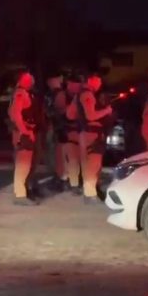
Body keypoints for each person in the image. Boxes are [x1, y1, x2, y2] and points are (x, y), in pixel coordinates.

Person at [68, 73, 112, 204]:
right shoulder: (88, 94)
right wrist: (106, 111)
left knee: (89, 164)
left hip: (84, 133)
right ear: (91, 80)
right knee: (93, 164)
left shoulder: (78, 95)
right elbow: (91, 116)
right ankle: (90, 194)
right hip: (91, 133)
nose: (99, 84)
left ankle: (91, 192)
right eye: (98, 81)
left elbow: (70, 114)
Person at [8, 71, 42, 205]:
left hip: (28, 131)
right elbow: (15, 114)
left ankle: (24, 190)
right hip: (24, 133)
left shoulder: (25, 93)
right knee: (23, 164)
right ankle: (20, 194)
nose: (31, 81)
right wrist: (25, 131)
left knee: (28, 163)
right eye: (28, 79)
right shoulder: (20, 93)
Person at [44, 74, 66, 190]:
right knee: (52, 155)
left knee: (58, 155)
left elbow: (61, 112)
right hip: (52, 128)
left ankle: (60, 178)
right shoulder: (51, 94)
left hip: (57, 129)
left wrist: (49, 112)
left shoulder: (60, 94)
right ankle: (57, 176)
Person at [63, 75, 83, 194]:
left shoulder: (76, 96)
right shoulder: (66, 96)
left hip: (77, 132)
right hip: (69, 132)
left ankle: (74, 182)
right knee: (73, 159)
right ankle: (73, 183)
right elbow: (69, 115)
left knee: (76, 159)